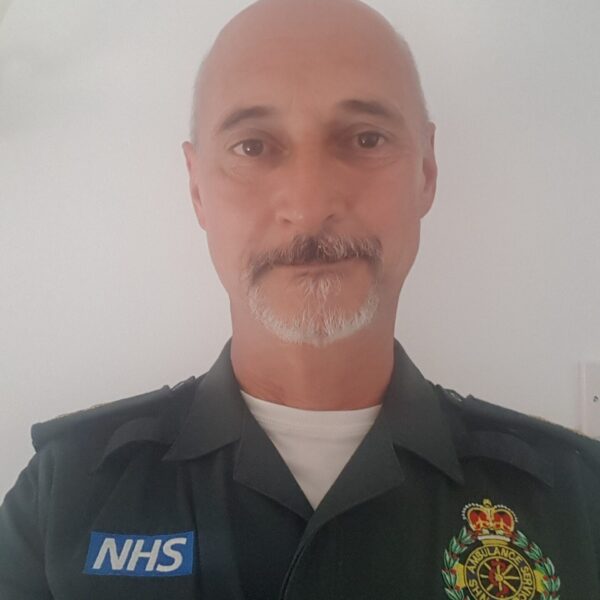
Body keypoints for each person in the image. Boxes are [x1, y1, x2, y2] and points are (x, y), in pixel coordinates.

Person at [1, 0, 599, 598]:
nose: (310, 206)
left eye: (366, 138)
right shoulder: (64, 495)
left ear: (427, 171)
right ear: (197, 188)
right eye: (253, 147)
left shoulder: (578, 499)